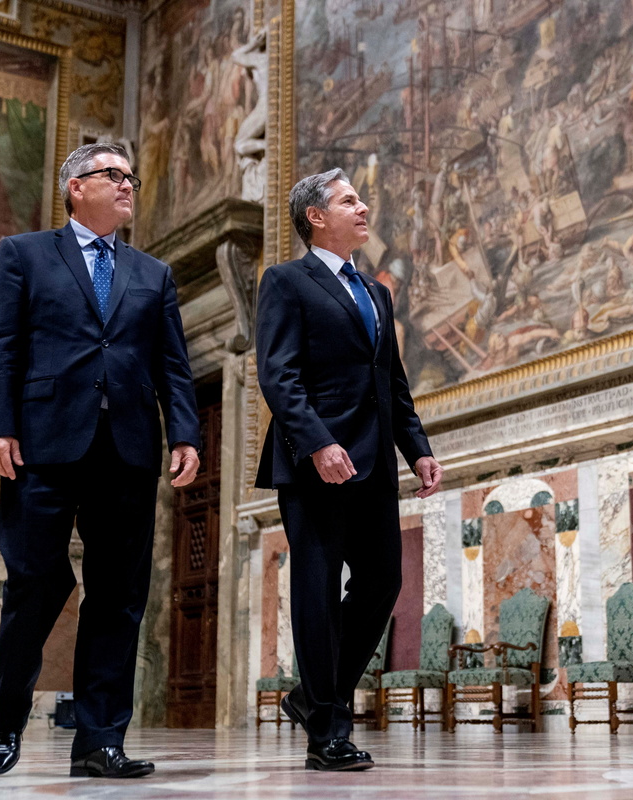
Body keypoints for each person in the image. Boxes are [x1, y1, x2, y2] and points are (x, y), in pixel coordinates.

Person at [0, 143, 200, 779]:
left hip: (127, 448)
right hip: (42, 443)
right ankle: (8, 717)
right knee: (34, 582)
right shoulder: (23, 254)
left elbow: (173, 365)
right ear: (75, 187)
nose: (127, 185)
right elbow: (0, 346)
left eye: (131, 178)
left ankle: (100, 741)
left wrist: (185, 433)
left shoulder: (153, 273)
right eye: (112, 175)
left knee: (119, 596)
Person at [255, 168, 443, 771]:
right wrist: (317, 443)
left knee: (383, 581)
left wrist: (417, 448)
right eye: (349, 201)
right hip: (317, 464)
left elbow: (392, 382)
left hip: (375, 461)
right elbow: (278, 374)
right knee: (316, 589)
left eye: (360, 200)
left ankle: (312, 695)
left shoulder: (376, 293)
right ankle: (327, 734)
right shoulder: (286, 282)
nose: (363, 208)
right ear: (315, 217)